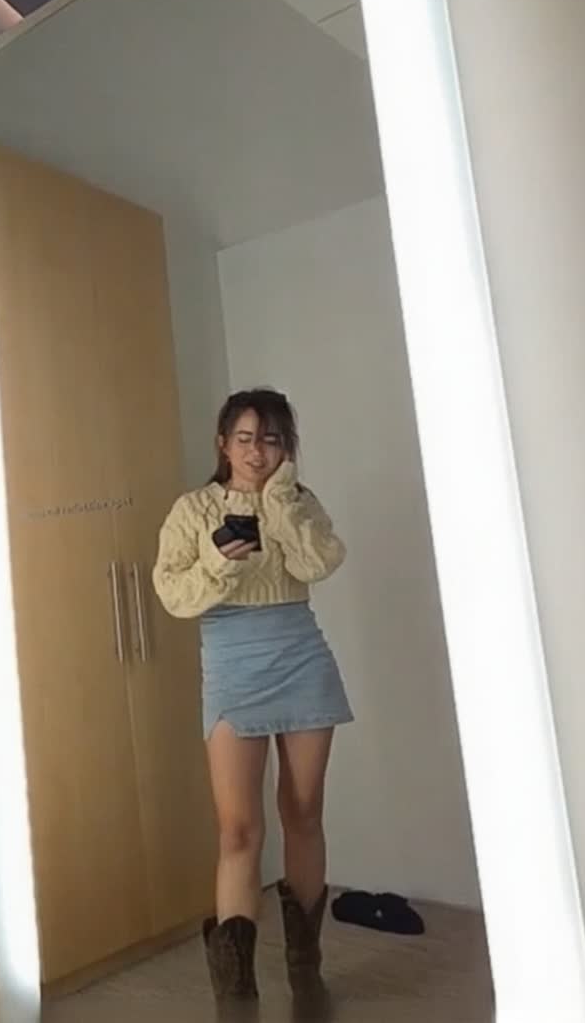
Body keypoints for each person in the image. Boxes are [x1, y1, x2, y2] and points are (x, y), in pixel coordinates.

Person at [152, 387, 351, 1017]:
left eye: (271, 439)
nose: (257, 452)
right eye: (245, 439)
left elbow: (320, 563)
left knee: (304, 812)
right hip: (232, 665)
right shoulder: (192, 509)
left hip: (301, 655)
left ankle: (305, 968)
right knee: (239, 829)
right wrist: (218, 557)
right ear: (223, 443)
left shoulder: (298, 501)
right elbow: (173, 595)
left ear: (286, 446)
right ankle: (237, 995)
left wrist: (280, 504)